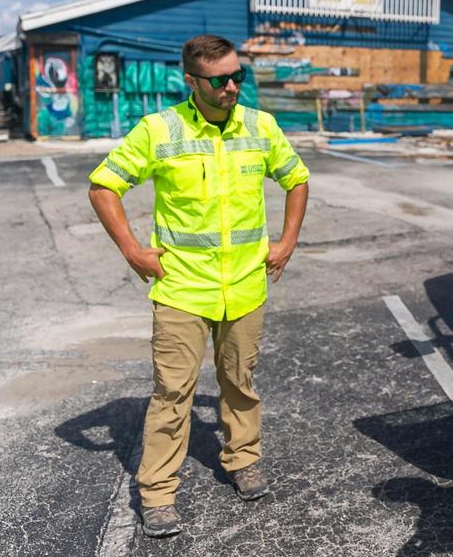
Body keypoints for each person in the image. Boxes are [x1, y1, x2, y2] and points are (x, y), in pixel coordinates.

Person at [87, 34, 310, 538]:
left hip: (246, 288)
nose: (232, 87)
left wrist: (287, 240)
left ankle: (243, 460)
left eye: (238, 76)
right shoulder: (159, 130)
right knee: (172, 393)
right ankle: (159, 492)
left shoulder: (260, 126)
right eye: (219, 79)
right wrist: (132, 251)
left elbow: (296, 179)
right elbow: (104, 187)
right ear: (192, 81)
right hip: (183, 290)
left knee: (240, 386)